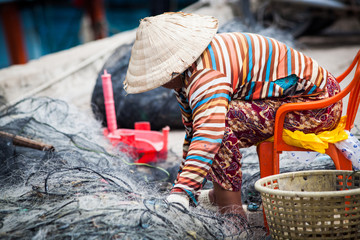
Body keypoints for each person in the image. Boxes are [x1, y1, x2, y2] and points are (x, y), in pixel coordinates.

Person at [123, 12, 342, 217]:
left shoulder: (206, 76)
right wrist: (184, 185)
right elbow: (193, 130)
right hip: (310, 97)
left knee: (221, 124)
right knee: (213, 121)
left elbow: (208, 134)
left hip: (316, 107)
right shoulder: (191, 70)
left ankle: (232, 215)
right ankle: (222, 196)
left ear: (171, 69)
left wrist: (181, 192)